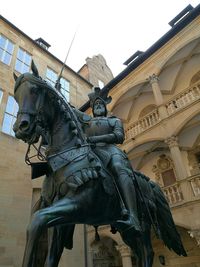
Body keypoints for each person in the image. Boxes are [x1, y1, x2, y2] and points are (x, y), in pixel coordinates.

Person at [82, 87, 141, 235]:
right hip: (92, 152)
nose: (98, 106)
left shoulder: (114, 120)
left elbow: (119, 137)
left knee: (118, 167)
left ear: (105, 107)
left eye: (101, 104)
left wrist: (96, 139)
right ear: (93, 109)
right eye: (96, 106)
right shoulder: (87, 123)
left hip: (110, 150)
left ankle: (133, 216)